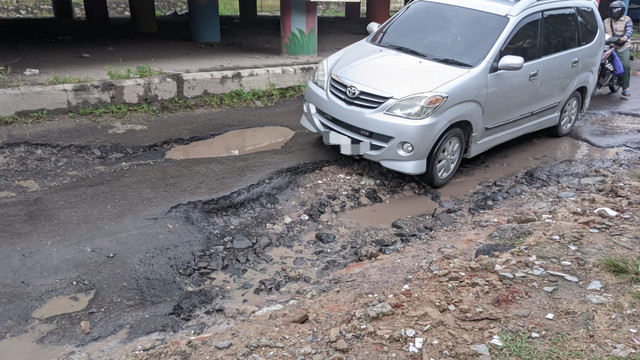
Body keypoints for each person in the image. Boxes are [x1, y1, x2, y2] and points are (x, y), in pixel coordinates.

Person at [604, 0, 633, 97]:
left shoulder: (627, 20)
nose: (614, 12)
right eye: (612, 10)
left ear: (621, 11)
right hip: (608, 46)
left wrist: (625, 37)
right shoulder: (606, 21)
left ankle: (625, 88)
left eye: (616, 10)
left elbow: (629, 30)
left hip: (622, 46)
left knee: (625, 65)